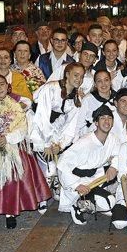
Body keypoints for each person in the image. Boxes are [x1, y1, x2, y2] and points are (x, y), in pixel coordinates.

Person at [0, 74, 51, 234]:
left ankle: (10, 212)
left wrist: (7, 138)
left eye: (2, 85)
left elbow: (22, 129)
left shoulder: (15, 105)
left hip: (11, 148)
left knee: (11, 183)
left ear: (8, 86)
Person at [57, 105, 121, 225]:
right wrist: (76, 185)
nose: (107, 121)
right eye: (102, 118)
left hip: (95, 176)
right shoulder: (85, 142)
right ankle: (76, 206)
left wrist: (113, 167)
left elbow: (118, 154)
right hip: (79, 180)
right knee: (108, 201)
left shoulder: (112, 138)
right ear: (96, 122)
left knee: (110, 202)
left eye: (109, 118)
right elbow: (62, 164)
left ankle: (95, 202)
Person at [29, 62, 85, 200]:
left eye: (82, 76)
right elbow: (42, 117)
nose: (79, 79)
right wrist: (47, 143)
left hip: (54, 130)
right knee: (48, 167)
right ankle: (39, 196)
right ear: (67, 74)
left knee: (58, 162)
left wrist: (60, 144)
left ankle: (51, 188)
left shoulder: (76, 98)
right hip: (36, 127)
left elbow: (70, 126)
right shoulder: (51, 88)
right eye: (76, 75)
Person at [75, 69, 117, 140]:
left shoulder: (117, 98)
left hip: (113, 138)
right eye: (99, 81)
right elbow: (79, 124)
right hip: (90, 139)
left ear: (110, 81)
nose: (103, 84)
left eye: (106, 80)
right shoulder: (88, 99)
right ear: (95, 84)